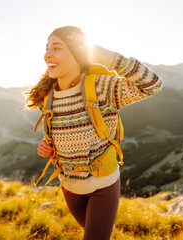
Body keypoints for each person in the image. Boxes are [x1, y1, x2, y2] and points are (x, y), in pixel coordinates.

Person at [25, 26, 163, 240]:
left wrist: (108, 57)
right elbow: (63, 131)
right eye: (47, 47)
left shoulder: (101, 88)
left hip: (103, 187)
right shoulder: (48, 95)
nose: (47, 55)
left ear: (77, 53)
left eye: (57, 48)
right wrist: (47, 146)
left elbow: (152, 84)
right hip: (69, 186)